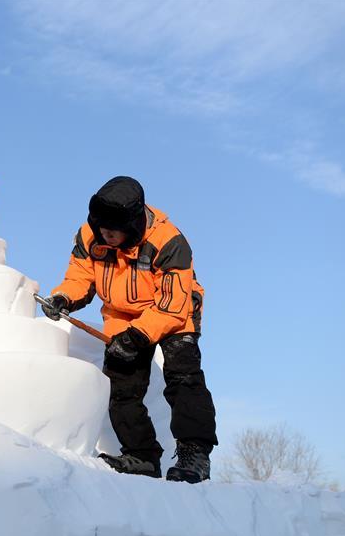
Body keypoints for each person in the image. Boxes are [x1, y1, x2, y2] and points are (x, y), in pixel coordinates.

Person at [42, 176, 217, 483]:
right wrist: (64, 297)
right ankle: (142, 456)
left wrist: (137, 337)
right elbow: (80, 277)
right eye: (102, 229)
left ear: (133, 224)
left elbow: (172, 305)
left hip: (174, 311)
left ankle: (194, 454)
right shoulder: (89, 236)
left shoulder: (169, 241)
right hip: (122, 314)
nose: (106, 236)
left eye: (113, 231)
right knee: (121, 386)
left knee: (183, 378)